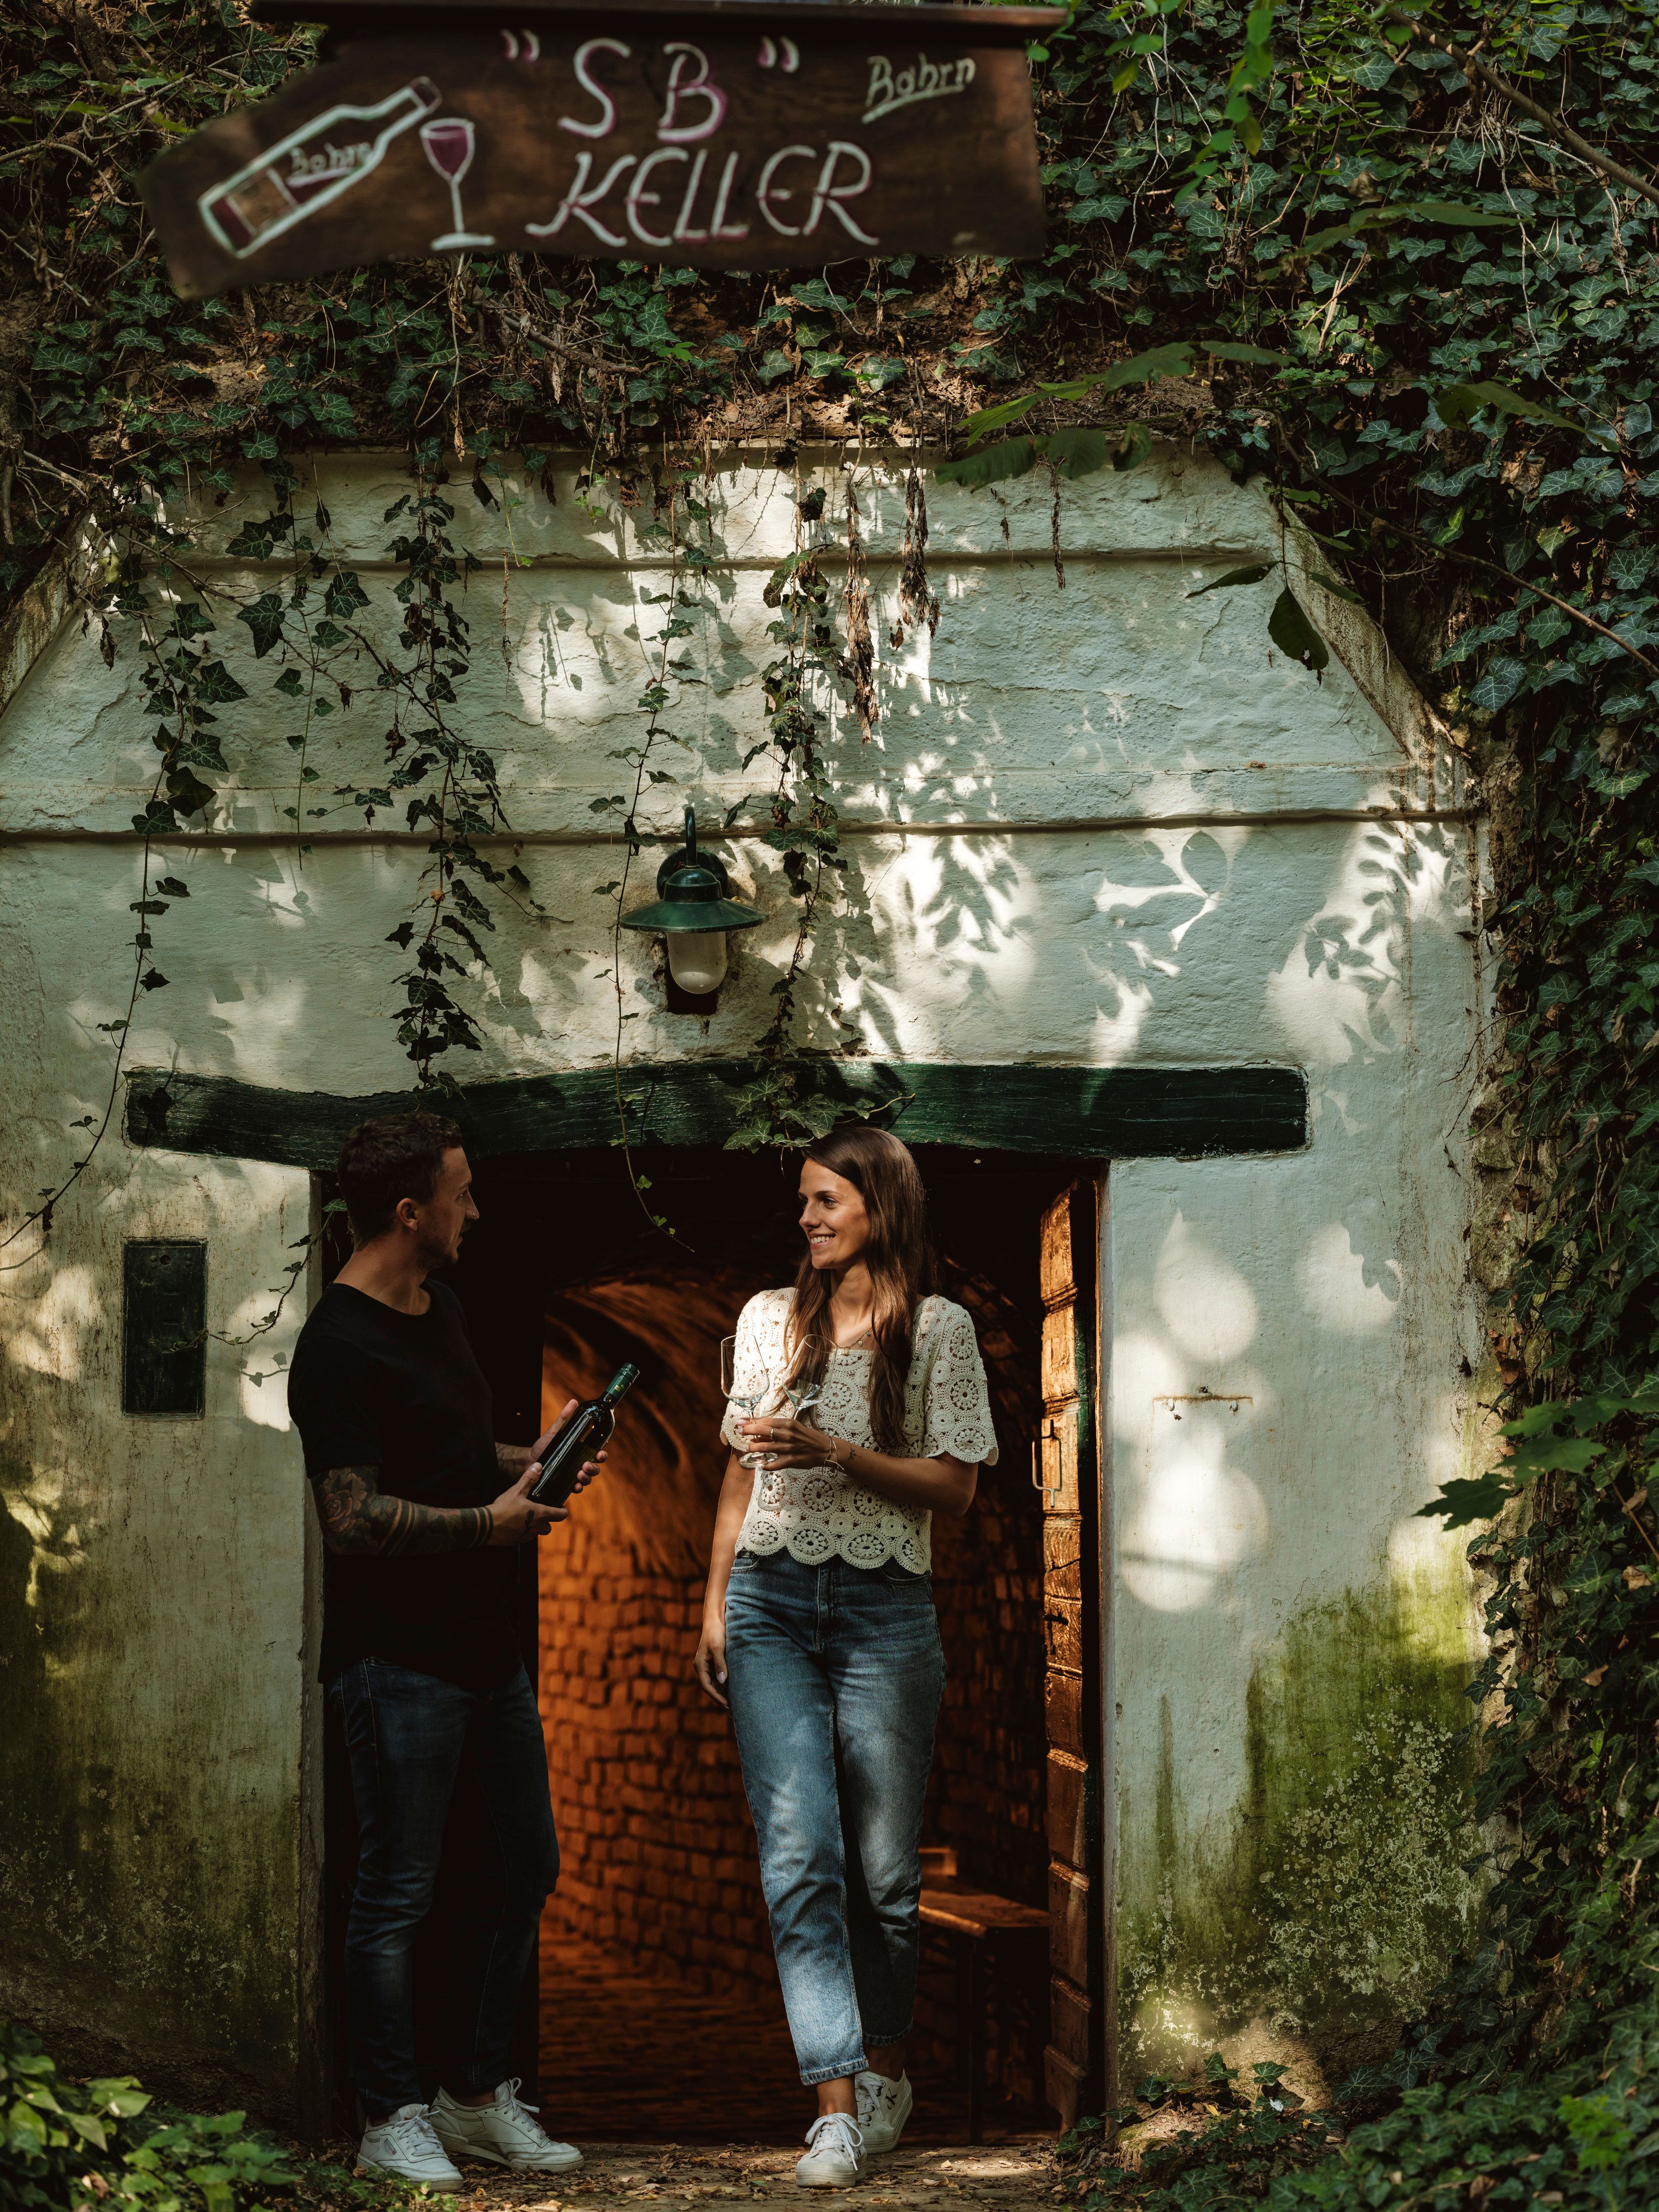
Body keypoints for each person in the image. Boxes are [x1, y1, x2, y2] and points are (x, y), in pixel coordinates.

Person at [287, 1112, 603, 2192]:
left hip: (486, 1649)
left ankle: (475, 2096)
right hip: (396, 1658)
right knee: (397, 1893)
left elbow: (461, 1454)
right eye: (463, 1192)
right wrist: (491, 1526)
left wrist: (541, 1458)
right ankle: (390, 2111)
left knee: (526, 1867)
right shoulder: (336, 1344)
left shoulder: (446, 1306)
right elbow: (350, 1514)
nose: (479, 1210)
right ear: (410, 1210)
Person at [695, 1125, 998, 2188]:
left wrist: (837, 1453)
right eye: (805, 1203)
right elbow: (740, 1470)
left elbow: (955, 1490)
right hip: (771, 1599)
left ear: (880, 1205)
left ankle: (885, 2074)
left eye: (827, 1200)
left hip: (884, 1609)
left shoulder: (940, 1329)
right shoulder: (768, 1320)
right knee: (798, 1855)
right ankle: (831, 2106)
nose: (808, 1218)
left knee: (884, 1881)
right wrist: (715, 1601)